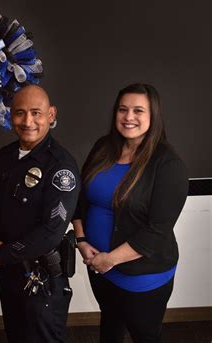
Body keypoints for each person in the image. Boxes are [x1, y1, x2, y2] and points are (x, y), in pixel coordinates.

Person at [72, 83, 188, 342]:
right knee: (110, 329)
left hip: (142, 276)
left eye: (138, 110)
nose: (129, 117)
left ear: (153, 116)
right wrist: (81, 240)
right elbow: (79, 198)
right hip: (99, 267)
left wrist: (110, 259)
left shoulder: (168, 165)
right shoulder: (103, 147)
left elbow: (157, 232)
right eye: (123, 109)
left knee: (144, 335)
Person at [0, 84, 80, 342]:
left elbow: (50, 232)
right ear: (11, 115)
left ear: (51, 115)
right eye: (20, 113)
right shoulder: (5, 156)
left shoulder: (61, 166)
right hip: (9, 272)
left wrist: (1, 252)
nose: (28, 121)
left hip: (43, 279)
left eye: (36, 113)